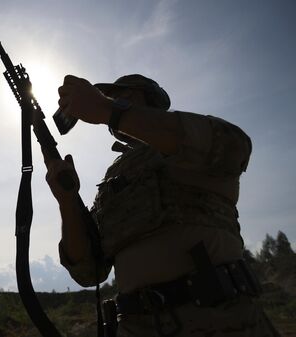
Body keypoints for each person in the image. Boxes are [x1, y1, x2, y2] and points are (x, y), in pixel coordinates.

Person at [46, 74, 280, 336]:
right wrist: (66, 201)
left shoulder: (186, 142)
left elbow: (233, 147)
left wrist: (106, 109)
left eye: (123, 95)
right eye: (109, 97)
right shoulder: (112, 180)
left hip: (220, 321)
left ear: (150, 99)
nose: (113, 100)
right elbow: (88, 271)